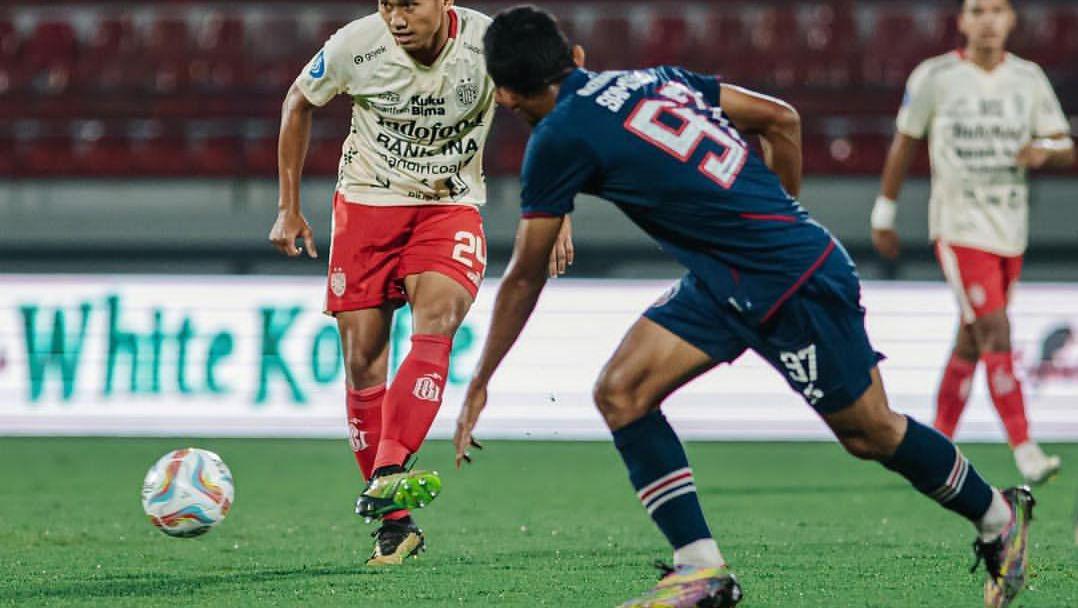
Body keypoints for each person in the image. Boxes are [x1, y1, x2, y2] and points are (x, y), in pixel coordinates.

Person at [453, 6, 1033, 607]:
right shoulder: (656, 79)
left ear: (505, 95)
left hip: (791, 281)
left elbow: (524, 274)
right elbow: (781, 119)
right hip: (728, 277)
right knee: (622, 392)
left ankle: (997, 518)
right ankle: (701, 569)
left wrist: (482, 379)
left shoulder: (556, 135)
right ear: (574, 56)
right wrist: (774, 216)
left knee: (870, 433)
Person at [268, 0, 573, 566]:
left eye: (409, 4)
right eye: (387, 5)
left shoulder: (490, 43)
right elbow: (297, 102)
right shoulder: (355, 45)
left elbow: (547, 109)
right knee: (363, 361)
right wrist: (289, 208)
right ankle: (396, 527)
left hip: (447, 208)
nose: (397, 18)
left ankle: (388, 469)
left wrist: (560, 210)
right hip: (365, 206)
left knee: (437, 321)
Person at [871, 0, 1073, 484]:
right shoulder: (935, 76)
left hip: (1010, 228)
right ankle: (1024, 447)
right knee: (996, 331)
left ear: (1011, 20)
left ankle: (935, 442)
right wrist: (884, 211)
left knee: (972, 337)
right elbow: (905, 140)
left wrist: (1042, 151)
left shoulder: (1028, 78)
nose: (987, 19)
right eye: (977, 10)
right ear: (961, 21)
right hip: (959, 228)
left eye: (997, 10)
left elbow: (1065, 145)